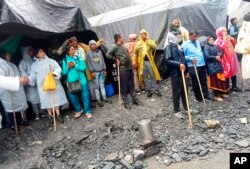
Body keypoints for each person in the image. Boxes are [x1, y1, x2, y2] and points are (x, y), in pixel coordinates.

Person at [57, 37, 105, 108]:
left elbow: (90, 47)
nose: (74, 42)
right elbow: (58, 53)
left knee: (89, 87)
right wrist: (68, 67)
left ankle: (93, 102)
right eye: (72, 41)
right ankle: (80, 108)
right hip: (73, 80)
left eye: (75, 41)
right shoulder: (66, 59)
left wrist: (99, 42)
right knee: (75, 94)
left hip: (86, 71)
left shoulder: (81, 47)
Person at [28, 48, 68, 124]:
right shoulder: (34, 65)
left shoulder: (50, 61)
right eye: (40, 52)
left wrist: (54, 73)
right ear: (37, 55)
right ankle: (50, 116)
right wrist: (29, 79)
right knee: (46, 100)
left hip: (53, 82)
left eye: (43, 51)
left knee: (56, 98)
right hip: (42, 85)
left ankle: (58, 114)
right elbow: (33, 74)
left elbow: (58, 68)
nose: (42, 53)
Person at [106, 33, 143, 110]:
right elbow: (107, 54)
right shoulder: (114, 46)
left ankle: (135, 99)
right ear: (119, 38)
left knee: (132, 85)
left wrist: (132, 62)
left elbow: (128, 55)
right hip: (123, 69)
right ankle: (126, 102)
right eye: (122, 37)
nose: (123, 38)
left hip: (129, 68)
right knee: (124, 86)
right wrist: (115, 59)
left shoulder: (123, 46)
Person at [62, 45, 93, 118]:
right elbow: (64, 73)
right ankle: (79, 110)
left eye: (74, 49)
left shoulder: (78, 58)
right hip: (71, 83)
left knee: (85, 96)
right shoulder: (65, 60)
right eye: (72, 49)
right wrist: (68, 67)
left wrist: (75, 65)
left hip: (82, 81)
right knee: (73, 97)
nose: (74, 50)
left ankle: (87, 111)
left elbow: (83, 68)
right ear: (68, 52)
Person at [0, 52, 29, 130]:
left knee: (18, 106)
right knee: (11, 108)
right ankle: (13, 124)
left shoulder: (12, 64)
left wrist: (22, 80)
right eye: (7, 54)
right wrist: (14, 82)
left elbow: (18, 75)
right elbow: (2, 80)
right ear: (3, 55)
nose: (9, 55)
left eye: (9, 54)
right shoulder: (1, 64)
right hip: (7, 91)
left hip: (17, 88)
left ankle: (20, 121)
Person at [182, 31, 212, 102]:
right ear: (189, 36)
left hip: (201, 63)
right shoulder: (185, 44)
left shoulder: (197, 42)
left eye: (196, 36)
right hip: (192, 65)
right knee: (195, 81)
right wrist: (190, 58)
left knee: (203, 80)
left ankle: (205, 95)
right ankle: (198, 97)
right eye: (194, 37)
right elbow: (182, 55)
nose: (195, 38)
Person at [165, 24, 187, 119]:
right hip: (175, 73)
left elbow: (182, 57)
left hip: (182, 71)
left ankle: (186, 108)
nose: (178, 36)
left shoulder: (178, 46)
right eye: (176, 35)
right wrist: (179, 64)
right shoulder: (168, 47)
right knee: (176, 91)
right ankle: (176, 111)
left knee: (184, 91)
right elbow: (168, 60)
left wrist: (185, 67)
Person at [134, 29, 162, 97]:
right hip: (141, 63)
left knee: (152, 75)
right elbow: (135, 53)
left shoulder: (150, 41)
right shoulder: (138, 43)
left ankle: (156, 89)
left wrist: (148, 41)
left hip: (149, 62)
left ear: (146, 34)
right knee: (145, 77)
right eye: (141, 33)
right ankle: (149, 90)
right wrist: (134, 62)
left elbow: (155, 47)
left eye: (144, 33)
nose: (142, 35)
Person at [214, 27, 241, 92]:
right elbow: (222, 47)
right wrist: (224, 39)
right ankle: (226, 87)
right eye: (224, 31)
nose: (225, 33)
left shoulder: (227, 38)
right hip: (225, 59)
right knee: (227, 73)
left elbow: (235, 43)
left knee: (233, 72)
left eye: (226, 31)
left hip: (231, 58)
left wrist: (231, 39)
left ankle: (234, 86)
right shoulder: (218, 40)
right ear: (220, 33)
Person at [86, 40, 112, 107]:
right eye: (92, 44)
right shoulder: (88, 54)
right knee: (96, 87)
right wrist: (92, 72)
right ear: (90, 46)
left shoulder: (99, 52)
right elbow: (89, 63)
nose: (93, 45)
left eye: (94, 44)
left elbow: (103, 61)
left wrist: (104, 69)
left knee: (102, 85)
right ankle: (98, 100)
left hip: (101, 71)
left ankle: (104, 98)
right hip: (95, 72)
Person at [203, 36, 229, 101]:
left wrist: (219, 56)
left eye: (212, 39)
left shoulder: (216, 46)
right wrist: (215, 57)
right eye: (210, 39)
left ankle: (221, 93)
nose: (212, 40)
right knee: (215, 81)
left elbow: (221, 52)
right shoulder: (206, 47)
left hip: (218, 65)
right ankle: (216, 95)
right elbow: (206, 56)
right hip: (212, 67)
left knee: (220, 80)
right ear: (207, 40)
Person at [19, 46, 42, 120]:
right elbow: (23, 73)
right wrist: (30, 79)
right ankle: (37, 114)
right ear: (26, 52)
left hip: (37, 83)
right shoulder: (22, 62)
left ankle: (43, 112)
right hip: (29, 85)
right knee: (33, 101)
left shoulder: (33, 60)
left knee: (40, 98)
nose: (32, 52)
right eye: (30, 50)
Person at [235, 13, 250, 104]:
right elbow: (239, 46)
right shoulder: (243, 31)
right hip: (247, 57)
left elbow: (241, 46)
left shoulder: (244, 31)